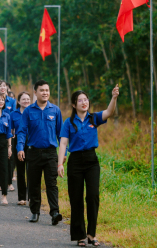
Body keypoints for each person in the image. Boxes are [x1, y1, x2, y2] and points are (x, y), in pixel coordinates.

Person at [57, 85, 119, 246]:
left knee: (92, 196)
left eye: (86, 100)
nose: (84, 103)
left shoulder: (94, 118)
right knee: (76, 198)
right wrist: (60, 163)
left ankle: (92, 234)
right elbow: (63, 143)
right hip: (75, 161)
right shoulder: (68, 122)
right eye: (80, 100)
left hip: (92, 161)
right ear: (73, 104)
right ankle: (80, 236)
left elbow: (109, 112)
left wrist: (114, 97)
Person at [17, 79, 64, 224]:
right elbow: (22, 131)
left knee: (52, 183)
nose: (45, 93)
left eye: (47, 90)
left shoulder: (55, 110)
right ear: (35, 92)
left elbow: (61, 135)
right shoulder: (29, 111)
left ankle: (55, 212)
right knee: (34, 184)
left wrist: (64, 154)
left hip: (50, 153)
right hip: (33, 152)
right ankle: (35, 212)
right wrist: (19, 148)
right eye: (42, 90)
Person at [0, 80, 16, 192]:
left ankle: (9, 182)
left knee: (9, 159)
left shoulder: (12, 101)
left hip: (9, 132)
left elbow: (14, 116)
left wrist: (13, 131)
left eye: (4, 86)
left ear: (7, 88)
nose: (2, 88)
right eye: (0, 86)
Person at [10, 91, 31, 205]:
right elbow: (11, 129)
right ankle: (22, 198)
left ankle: (31, 197)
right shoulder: (14, 114)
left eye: (28, 99)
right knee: (21, 170)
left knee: (31, 171)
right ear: (18, 101)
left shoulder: (33, 112)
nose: (26, 101)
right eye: (23, 99)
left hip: (32, 141)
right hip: (19, 142)